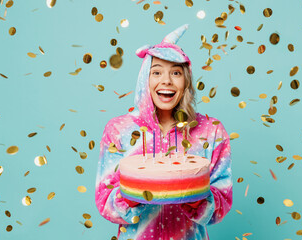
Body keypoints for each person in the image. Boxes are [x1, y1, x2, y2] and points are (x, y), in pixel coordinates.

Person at [95, 24, 232, 240]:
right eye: (156, 72)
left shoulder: (210, 131)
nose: (166, 80)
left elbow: (223, 197)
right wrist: (132, 194)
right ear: (144, 80)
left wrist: (196, 197)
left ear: (186, 80)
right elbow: (104, 200)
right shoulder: (120, 130)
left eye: (175, 72)